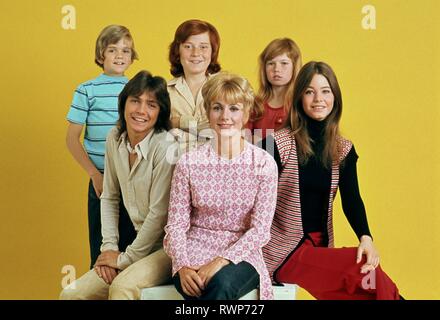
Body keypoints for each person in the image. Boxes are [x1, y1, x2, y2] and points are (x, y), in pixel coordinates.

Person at [260, 61, 401, 300]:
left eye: (326, 91)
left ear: (335, 98)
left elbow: (352, 199)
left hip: (320, 250)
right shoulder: (277, 144)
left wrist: (366, 238)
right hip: (283, 252)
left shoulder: (342, 149)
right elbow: (252, 200)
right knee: (363, 269)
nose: (318, 99)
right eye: (309, 91)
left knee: (363, 293)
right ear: (299, 98)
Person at [60, 70, 178, 300]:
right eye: (135, 101)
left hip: (167, 249)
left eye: (151, 105)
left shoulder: (166, 146)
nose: (141, 111)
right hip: (133, 245)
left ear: (160, 112)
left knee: (121, 288)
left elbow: (158, 213)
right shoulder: (114, 137)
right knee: (71, 294)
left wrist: (123, 259)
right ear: (124, 103)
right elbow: (110, 196)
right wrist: (108, 249)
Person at [164, 72, 278, 300]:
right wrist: (182, 265)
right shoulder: (188, 162)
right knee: (197, 284)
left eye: (234, 108)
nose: (225, 116)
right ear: (208, 111)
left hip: (242, 254)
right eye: (217, 107)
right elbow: (176, 225)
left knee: (221, 283)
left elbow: (260, 230)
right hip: (193, 249)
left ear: (246, 113)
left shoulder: (263, 163)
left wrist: (220, 261)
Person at [66, 25, 139, 268]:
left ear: (131, 57)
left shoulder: (136, 91)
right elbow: (71, 139)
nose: (120, 55)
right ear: (101, 55)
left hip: (131, 180)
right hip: (101, 178)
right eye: (113, 49)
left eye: (126, 51)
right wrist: (94, 175)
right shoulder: (86, 90)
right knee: (101, 248)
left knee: (130, 248)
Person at [167, 19, 221, 151]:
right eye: (188, 46)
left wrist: (178, 123)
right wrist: (203, 127)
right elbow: (158, 132)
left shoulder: (224, 88)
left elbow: (228, 130)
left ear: (212, 52)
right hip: (173, 167)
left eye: (203, 46)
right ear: (177, 51)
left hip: (217, 166)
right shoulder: (164, 91)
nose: (196, 53)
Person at [246, 38, 302, 143]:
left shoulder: (299, 104)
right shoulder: (255, 104)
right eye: (271, 63)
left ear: (295, 67)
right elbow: (244, 141)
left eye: (284, 63)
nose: (276, 69)